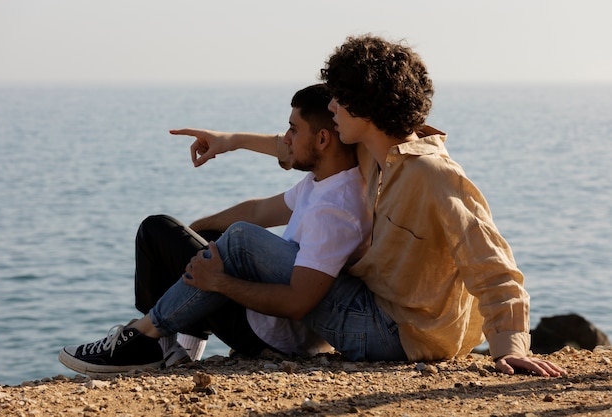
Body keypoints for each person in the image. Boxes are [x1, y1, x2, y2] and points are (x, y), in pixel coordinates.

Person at [174, 34, 566, 377]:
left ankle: (158, 337)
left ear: (365, 106)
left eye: (340, 100)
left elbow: (492, 265)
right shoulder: (371, 153)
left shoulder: (432, 174)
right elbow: (300, 145)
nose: (332, 108)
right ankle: (176, 339)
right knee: (216, 237)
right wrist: (230, 140)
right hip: (381, 311)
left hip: (401, 333)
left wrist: (511, 348)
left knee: (239, 241)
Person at [58, 84, 371, 375]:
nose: (286, 139)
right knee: (202, 238)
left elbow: (298, 303)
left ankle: (146, 343)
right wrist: (191, 234)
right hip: (272, 326)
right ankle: (179, 352)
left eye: (293, 129)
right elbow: (260, 210)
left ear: (322, 140)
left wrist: (219, 282)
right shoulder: (322, 183)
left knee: (155, 230)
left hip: (273, 336)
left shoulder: (335, 208)